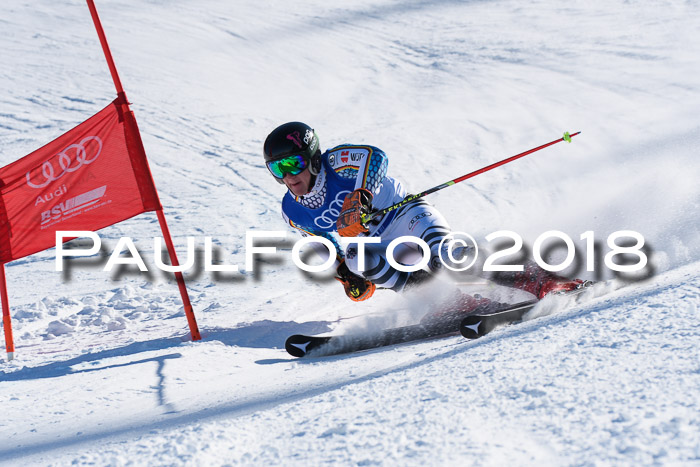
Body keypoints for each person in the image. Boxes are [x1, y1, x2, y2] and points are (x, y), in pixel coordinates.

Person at [263, 121, 583, 320]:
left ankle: (539, 278)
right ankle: (449, 303)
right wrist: (346, 275)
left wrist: (360, 196)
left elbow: (377, 157)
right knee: (358, 259)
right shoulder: (293, 210)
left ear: (313, 158)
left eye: (293, 163)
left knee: (446, 257)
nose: (288, 176)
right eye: (278, 169)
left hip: (406, 215)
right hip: (375, 240)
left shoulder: (336, 162)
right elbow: (320, 239)